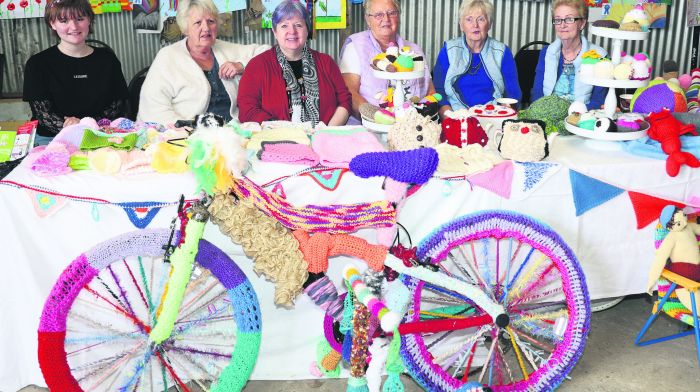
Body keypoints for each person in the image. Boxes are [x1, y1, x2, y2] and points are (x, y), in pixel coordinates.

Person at [137, 0, 269, 125]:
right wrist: (188, 131)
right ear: (185, 29)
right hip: (186, 136)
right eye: (198, 23)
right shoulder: (167, 57)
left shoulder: (226, 49)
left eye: (211, 21)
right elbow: (153, 110)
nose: (206, 28)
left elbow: (267, 53)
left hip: (233, 131)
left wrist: (241, 65)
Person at [23, 0, 128, 145]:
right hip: (52, 138)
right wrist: (78, 130)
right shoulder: (37, 64)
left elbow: (116, 106)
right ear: (52, 24)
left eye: (80, 19)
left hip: (100, 133)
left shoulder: (107, 59)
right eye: (64, 21)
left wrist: (87, 126)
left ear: (89, 20)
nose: (73, 27)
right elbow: (44, 116)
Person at [237, 1, 351, 126]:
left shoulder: (326, 62)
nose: (292, 31)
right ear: (275, 32)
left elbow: (344, 101)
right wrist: (280, 130)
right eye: (284, 26)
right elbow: (247, 110)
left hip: (324, 140)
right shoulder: (256, 66)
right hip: (276, 139)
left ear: (307, 29)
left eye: (298, 25)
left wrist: (326, 133)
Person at [338, 0, 435, 123]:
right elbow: (349, 92)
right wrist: (376, 116)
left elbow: (430, 91)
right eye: (378, 14)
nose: (386, 19)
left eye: (391, 13)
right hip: (367, 127)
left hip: (411, 125)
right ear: (368, 20)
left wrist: (419, 117)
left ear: (398, 16)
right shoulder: (356, 47)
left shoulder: (414, 50)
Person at [433, 0, 521, 116]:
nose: (475, 25)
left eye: (481, 19)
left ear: (489, 24)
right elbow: (438, 90)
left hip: (492, 115)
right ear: (461, 25)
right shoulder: (449, 50)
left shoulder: (502, 52)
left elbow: (513, 92)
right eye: (469, 19)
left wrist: (505, 111)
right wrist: (448, 115)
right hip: (456, 115)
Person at [531, 0, 607, 110]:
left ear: (582, 23)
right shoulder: (546, 52)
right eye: (558, 20)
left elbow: (599, 101)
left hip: (582, 121)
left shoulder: (600, 56)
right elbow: (537, 93)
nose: (562, 25)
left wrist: (573, 116)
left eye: (569, 19)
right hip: (548, 118)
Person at [647, 206, 700, 312]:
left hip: (697, 271)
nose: (684, 223)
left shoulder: (688, 226)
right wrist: (651, 281)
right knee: (698, 306)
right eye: (679, 223)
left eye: (684, 216)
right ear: (669, 227)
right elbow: (660, 259)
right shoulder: (671, 237)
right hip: (684, 278)